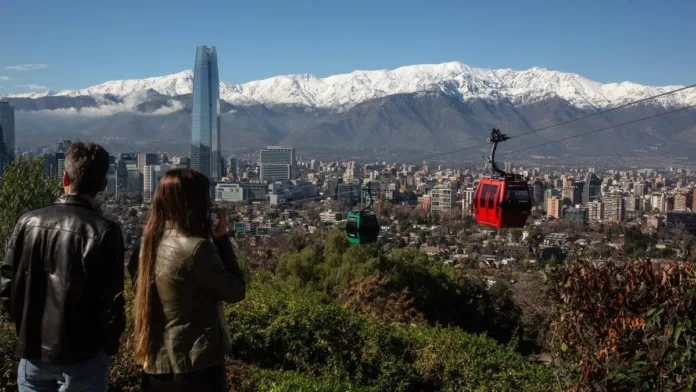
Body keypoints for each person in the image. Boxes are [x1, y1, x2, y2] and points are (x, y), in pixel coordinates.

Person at [0, 142, 125, 391]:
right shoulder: (103, 231)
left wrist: (25, 328)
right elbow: (112, 302)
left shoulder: (28, 221)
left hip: (33, 352)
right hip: (83, 357)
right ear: (103, 185)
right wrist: (107, 347)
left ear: (64, 177)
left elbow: (6, 285)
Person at [132, 168, 245, 392]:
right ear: (194, 203)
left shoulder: (146, 246)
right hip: (194, 368)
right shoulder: (196, 248)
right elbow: (236, 291)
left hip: (154, 366)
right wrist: (221, 239)